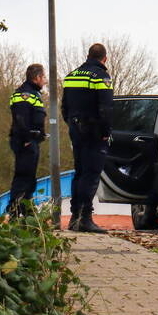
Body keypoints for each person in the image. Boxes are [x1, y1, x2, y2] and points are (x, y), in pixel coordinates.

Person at [62, 44, 113, 232]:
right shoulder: (101, 76)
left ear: (88, 55)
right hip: (94, 132)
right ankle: (85, 218)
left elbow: (64, 107)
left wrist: (72, 124)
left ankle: (74, 217)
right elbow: (106, 108)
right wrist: (105, 132)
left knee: (79, 172)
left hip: (76, 130)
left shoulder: (71, 76)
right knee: (91, 175)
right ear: (104, 58)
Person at [7, 64, 48, 216]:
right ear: (37, 78)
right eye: (43, 77)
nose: (45, 81)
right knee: (23, 177)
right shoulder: (25, 94)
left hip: (31, 141)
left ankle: (26, 210)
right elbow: (21, 118)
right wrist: (26, 139)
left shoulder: (33, 93)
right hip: (26, 141)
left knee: (29, 178)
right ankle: (16, 211)